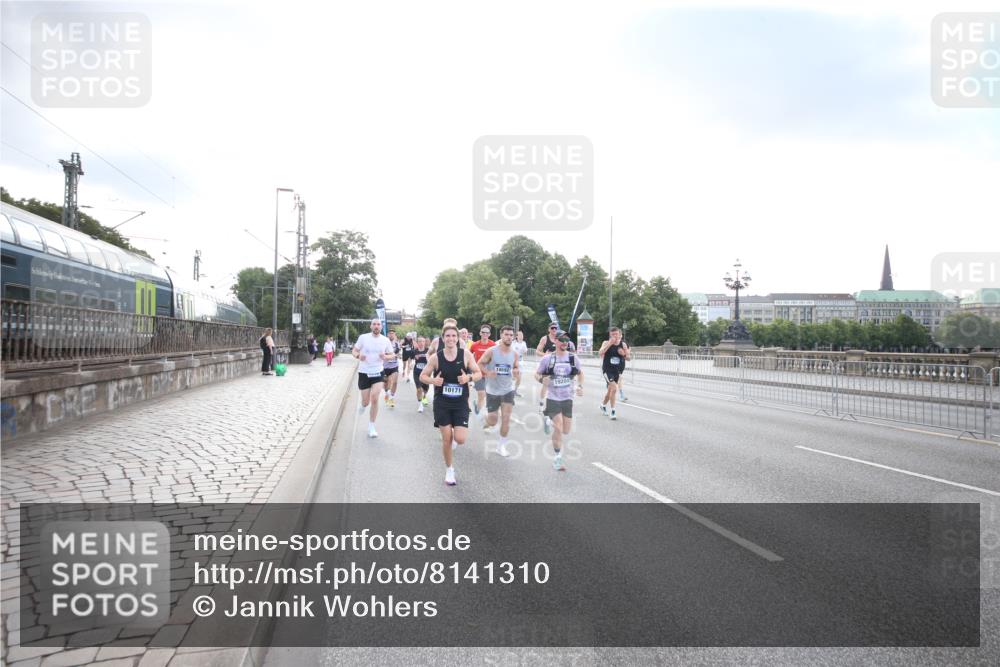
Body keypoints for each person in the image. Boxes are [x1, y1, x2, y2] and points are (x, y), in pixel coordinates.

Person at [420, 325, 482, 486]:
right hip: (442, 403)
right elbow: (422, 376)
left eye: (453, 336)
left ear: (458, 338)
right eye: (447, 336)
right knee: (446, 438)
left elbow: (478, 373)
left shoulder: (466, 355)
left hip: (461, 403)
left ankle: (455, 441)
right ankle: (449, 470)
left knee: (460, 439)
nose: (451, 339)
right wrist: (433, 380)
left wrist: (468, 378)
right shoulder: (436, 357)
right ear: (443, 338)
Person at [535, 331, 583, 471]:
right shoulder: (548, 359)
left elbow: (581, 374)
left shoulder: (573, 358)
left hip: (567, 398)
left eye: (567, 339)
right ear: (555, 341)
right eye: (561, 339)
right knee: (559, 427)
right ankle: (557, 458)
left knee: (566, 431)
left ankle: (547, 419)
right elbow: (537, 373)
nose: (565, 342)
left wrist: (580, 386)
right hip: (553, 398)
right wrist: (541, 379)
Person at [478, 325, 519, 457]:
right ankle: (485, 418)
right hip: (492, 390)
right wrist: (488, 373)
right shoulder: (492, 351)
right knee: (493, 420)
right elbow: (480, 363)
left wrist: (516, 371)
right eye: (506, 334)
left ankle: (501, 447)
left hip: (508, 390)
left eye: (511, 335)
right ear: (501, 335)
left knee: (506, 419)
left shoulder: (514, 354)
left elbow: (516, 367)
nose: (509, 337)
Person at [352, 318, 395, 438]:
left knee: (375, 398)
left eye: (378, 324)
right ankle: (363, 405)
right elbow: (354, 350)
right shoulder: (363, 338)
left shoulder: (385, 340)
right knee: (366, 402)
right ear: (371, 326)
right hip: (364, 372)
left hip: (378, 372)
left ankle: (371, 426)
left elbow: (392, 355)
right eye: (374, 324)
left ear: (381, 327)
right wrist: (358, 355)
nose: (376, 326)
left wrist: (386, 357)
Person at [599, 327, 631, 420]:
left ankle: (603, 405)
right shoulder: (606, 343)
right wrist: (609, 344)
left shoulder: (623, 344)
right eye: (612, 334)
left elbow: (629, 358)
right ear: (610, 335)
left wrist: (624, 354)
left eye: (616, 334)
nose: (615, 336)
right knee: (614, 388)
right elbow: (600, 353)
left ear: (619, 334)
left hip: (617, 371)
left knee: (610, 391)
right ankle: (613, 411)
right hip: (607, 370)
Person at [469, 324, 496, 417]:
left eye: (487, 333)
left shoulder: (493, 345)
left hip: (489, 373)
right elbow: (468, 356)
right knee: (481, 394)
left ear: (489, 334)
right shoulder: (475, 345)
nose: (485, 334)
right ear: (480, 333)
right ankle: (479, 408)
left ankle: (478, 406)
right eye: (483, 332)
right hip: (478, 373)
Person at [535, 323, 560, 411]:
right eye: (552, 328)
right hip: (547, 365)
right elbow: (537, 351)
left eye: (555, 328)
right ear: (549, 329)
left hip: (557, 366)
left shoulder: (559, 338)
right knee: (546, 384)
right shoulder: (545, 338)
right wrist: (545, 355)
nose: (554, 330)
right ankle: (541, 403)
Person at [411, 336, 431, 412]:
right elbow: (411, 359)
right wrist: (411, 364)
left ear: (425, 342)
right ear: (417, 342)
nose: (421, 343)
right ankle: (420, 405)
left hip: (426, 372)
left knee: (425, 389)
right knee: (419, 389)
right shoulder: (414, 351)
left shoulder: (428, 350)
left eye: (423, 341)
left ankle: (424, 396)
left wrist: (428, 358)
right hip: (417, 372)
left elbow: (432, 360)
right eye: (419, 341)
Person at [382, 329, 402, 408]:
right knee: (385, 383)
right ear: (387, 335)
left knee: (394, 382)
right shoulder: (384, 343)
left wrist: (398, 356)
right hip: (385, 366)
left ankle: (391, 398)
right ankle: (387, 393)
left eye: (393, 333)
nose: (391, 335)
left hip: (394, 365)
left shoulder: (397, 344)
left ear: (394, 335)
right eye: (390, 333)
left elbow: (399, 353)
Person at [511, 330, 528, 397]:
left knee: (519, 378)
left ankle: (515, 391)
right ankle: (508, 391)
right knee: (513, 377)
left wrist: (524, 351)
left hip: (520, 362)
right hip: (513, 362)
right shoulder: (513, 343)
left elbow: (525, 353)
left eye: (522, 335)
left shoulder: (524, 343)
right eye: (520, 335)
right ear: (517, 336)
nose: (521, 336)